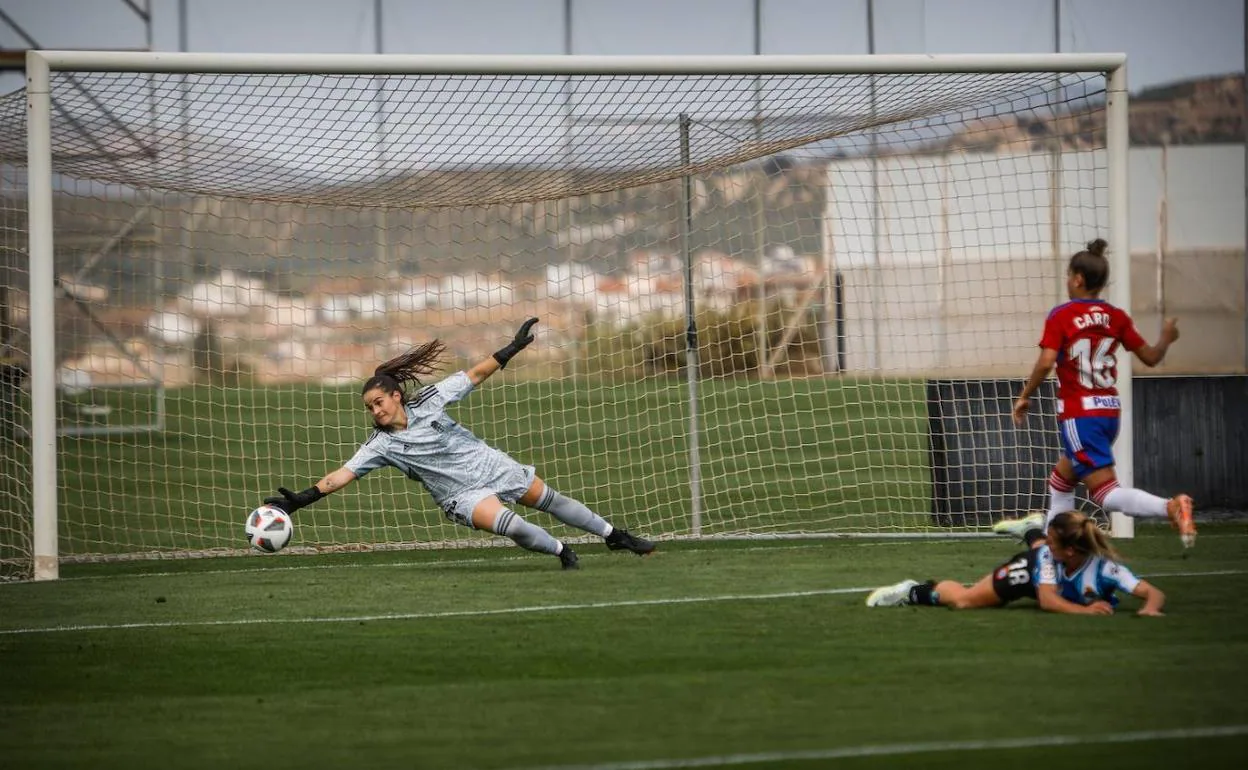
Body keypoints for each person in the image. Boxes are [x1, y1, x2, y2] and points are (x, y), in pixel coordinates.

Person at [261, 317, 655, 569]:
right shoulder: (380, 445)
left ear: (396, 396)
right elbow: (340, 476)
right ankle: (562, 552)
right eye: (369, 407)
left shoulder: (431, 399)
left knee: (551, 500)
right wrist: (301, 499)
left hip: (489, 464)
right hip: (459, 494)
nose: (375, 412)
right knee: (512, 525)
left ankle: (613, 536)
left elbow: (476, 374)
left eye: (378, 402)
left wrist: (512, 349)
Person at [996, 238, 1196, 548]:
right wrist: (1167, 337)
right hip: (1108, 412)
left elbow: (1047, 360)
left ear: (1077, 278)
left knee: (1105, 494)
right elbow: (1151, 358)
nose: (1067, 281)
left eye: (1068, 275)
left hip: (1080, 415)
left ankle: (1170, 506)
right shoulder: (1115, 316)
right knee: (1062, 479)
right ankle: (1053, 550)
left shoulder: (1061, 315)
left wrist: (1025, 394)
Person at [866, 511, 1166, 616]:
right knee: (965, 602)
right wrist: (1086, 611)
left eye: (1052, 539)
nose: (1050, 545)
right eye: (1046, 538)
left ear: (1073, 550)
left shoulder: (1106, 570)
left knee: (1042, 549)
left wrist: (1150, 608)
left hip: (1052, 571)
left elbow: (1153, 593)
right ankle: (912, 591)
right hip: (1030, 574)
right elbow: (1047, 600)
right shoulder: (1048, 555)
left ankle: (1030, 530)